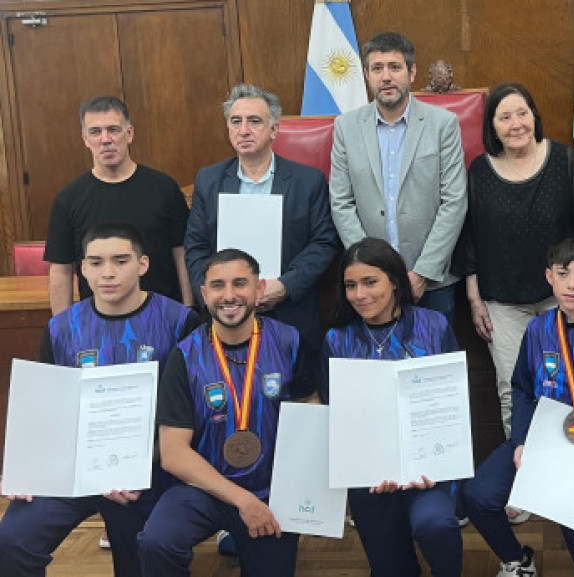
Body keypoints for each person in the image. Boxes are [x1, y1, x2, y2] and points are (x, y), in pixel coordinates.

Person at [0, 222, 199, 577]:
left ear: (143, 264)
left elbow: (187, 415)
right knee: (13, 539)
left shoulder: (179, 322)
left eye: (121, 261)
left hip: (146, 471)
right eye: (96, 262)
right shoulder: (61, 328)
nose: (108, 273)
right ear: (83, 268)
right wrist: (28, 472)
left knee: (141, 555)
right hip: (74, 466)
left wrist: (137, 467)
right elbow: (47, 409)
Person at [462, 236, 574, 577]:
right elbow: (520, 389)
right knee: (478, 495)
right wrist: (520, 441)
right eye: (563, 274)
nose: (572, 284)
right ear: (550, 277)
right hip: (541, 443)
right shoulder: (537, 330)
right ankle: (518, 559)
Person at [137, 248, 316, 577]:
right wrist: (243, 501)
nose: (229, 295)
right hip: (203, 488)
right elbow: (174, 454)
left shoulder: (290, 342)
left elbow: (312, 416)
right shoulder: (185, 356)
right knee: (156, 541)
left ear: (259, 289)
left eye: (240, 283)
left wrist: (297, 492)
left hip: (271, 491)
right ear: (204, 294)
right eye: (218, 286)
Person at [456, 82, 574, 441]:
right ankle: (524, 479)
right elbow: (468, 235)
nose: (515, 124)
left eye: (522, 113)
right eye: (505, 117)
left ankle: (568, 482)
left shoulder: (566, 161)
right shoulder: (480, 172)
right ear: (492, 127)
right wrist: (474, 297)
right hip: (502, 302)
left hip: (562, 299)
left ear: (535, 117)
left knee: (569, 386)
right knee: (512, 390)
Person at [321, 237, 462, 577]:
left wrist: (429, 463)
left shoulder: (433, 326)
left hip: (430, 471)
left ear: (395, 281)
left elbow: (453, 404)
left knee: (436, 525)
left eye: (370, 282)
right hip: (371, 478)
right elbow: (337, 416)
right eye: (351, 285)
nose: (360, 294)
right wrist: (368, 467)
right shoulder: (337, 340)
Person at [184, 83, 340, 369]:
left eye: (254, 121)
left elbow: (324, 242)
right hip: (226, 316)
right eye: (236, 121)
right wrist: (214, 293)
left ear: (274, 130)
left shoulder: (308, 181)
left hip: (290, 312)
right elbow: (195, 247)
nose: (244, 130)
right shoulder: (208, 180)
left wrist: (284, 286)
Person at [329, 31, 468, 325]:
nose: (386, 77)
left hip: (431, 281)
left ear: (412, 72)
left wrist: (423, 272)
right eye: (377, 68)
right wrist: (370, 271)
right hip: (368, 286)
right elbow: (341, 202)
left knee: (431, 366)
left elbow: (454, 201)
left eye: (395, 67)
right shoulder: (346, 127)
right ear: (367, 75)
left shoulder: (443, 124)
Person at [45, 96, 192, 314]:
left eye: (113, 129)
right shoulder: (68, 199)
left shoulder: (164, 188)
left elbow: (181, 254)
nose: (105, 139)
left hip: (164, 319)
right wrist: (63, 330)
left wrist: (189, 309)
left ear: (129, 134)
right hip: (99, 323)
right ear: (85, 139)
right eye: (96, 132)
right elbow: (61, 270)